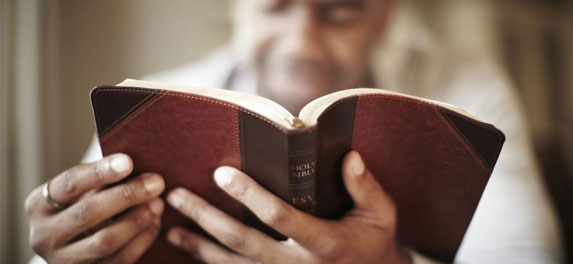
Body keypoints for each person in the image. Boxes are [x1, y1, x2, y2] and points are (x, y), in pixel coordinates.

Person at [26, 0, 564, 263]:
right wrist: (60, 244)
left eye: (339, 13)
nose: (301, 44)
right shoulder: (150, 103)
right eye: (276, 5)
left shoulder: (465, 86)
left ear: (383, 17)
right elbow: (74, 242)